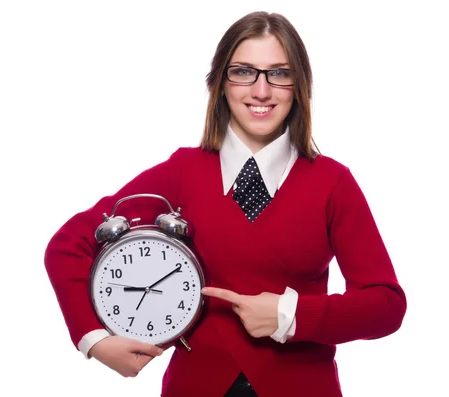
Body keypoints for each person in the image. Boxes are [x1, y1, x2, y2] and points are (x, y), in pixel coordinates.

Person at [44, 11, 406, 397]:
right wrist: (94, 340)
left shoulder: (332, 183)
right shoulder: (183, 172)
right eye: (243, 72)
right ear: (220, 83)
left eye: (279, 73)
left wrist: (291, 316)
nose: (261, 91)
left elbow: (385, 305)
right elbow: (69, 245)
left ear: (299, 86)